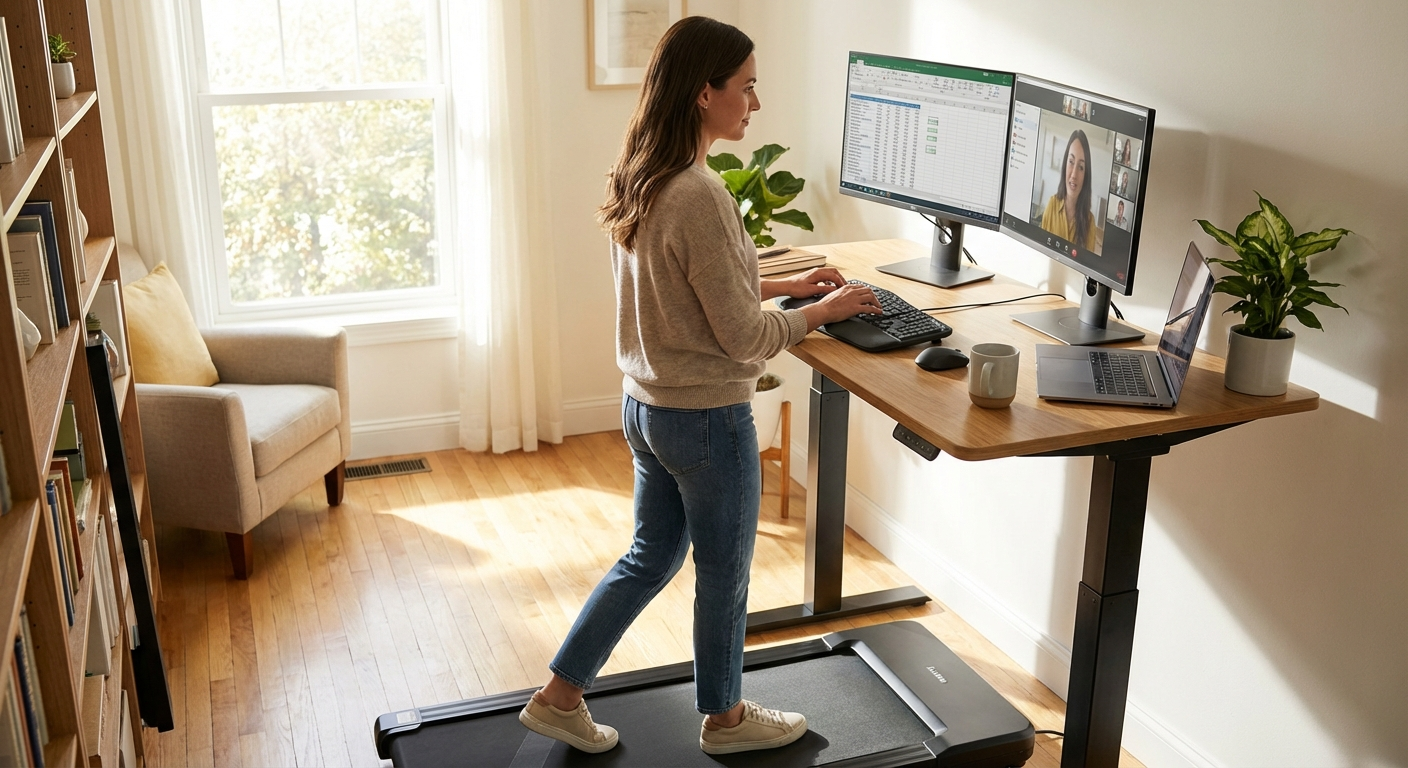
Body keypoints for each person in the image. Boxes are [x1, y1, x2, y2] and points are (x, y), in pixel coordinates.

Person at [517, 16, 881, 758]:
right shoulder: (699, 192)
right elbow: (745, 338)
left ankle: (558, 698)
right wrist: (820, 313)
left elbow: (688, 283)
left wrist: (785, 282)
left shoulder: (641, 172)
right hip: (709, 420)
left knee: (649, 557)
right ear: (703, 93)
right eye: (745, 89)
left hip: (646, 408)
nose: (756, 104)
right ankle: (726, 719)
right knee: (724, 576)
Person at [1039, 129, 1098, 251]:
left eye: (1081, 167)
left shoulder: (1090, 223)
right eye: (1071, 162)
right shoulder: (1052, 205)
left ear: (1086, 175)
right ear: (1065, 164)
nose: (1074, 175)